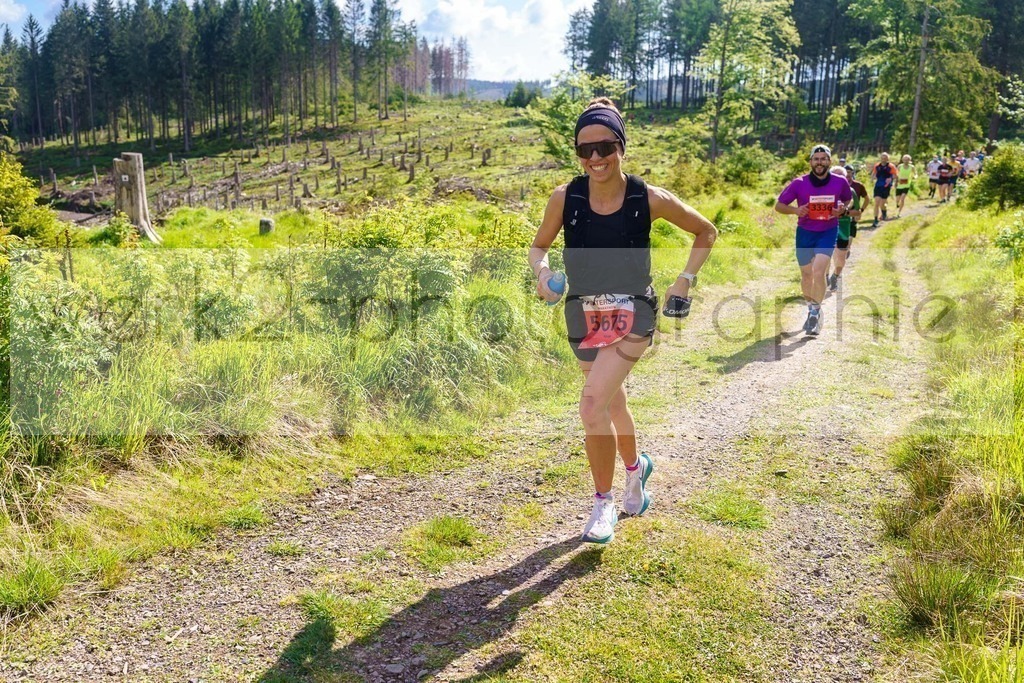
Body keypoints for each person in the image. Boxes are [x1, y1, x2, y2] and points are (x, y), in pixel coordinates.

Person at [528, 98, 717, 544]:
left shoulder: (647, 198)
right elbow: (538, 248)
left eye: (605, 147)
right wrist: (543, 274)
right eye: (585, 149)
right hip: (583, 312)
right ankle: (636, 470)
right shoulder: (565, 198)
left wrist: (685, 281)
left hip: (634, 312)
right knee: (612, 403)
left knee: (591, 406)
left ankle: (603, 504)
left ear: (621, 147)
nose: (596, 158)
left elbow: (706, 231)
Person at [774, 144, 851, 335]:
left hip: (828, 231)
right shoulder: (799, 183)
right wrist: (795, 210)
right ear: (810, 162)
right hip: (805, 233)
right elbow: (779, 206)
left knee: (819, 271)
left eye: (823, 159)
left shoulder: (840, 181)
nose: (819, 162)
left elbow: (846, 200)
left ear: (829, 161)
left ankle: (815, 314)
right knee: (806, 275)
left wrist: (841, 209)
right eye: (816, 159)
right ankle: (811, 308)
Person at [829, 164, 868, 292]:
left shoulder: (851, 192)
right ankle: (824, 277)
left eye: (841, 176)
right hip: (825, 229)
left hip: (843, 229)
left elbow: (857, 212)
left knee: (841, 258)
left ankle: (835, 276)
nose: (838, 179)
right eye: (835, 176)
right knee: (825, 255)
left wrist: (845, 213)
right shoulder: (823, 191)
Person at [870, 152, 898, 226]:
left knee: (883, 204)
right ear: (880, 158)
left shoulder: (891, 166)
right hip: (878, 186)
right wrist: (872, 179)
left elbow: (895, 175)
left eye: (885, 158)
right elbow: (873, 174)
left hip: (886, 186)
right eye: (882, 158)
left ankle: (884, 212)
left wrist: (891, 178)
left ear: (887, 159)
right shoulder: (877, 165)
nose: (883, 159)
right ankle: (875, 219)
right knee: (877, 202)